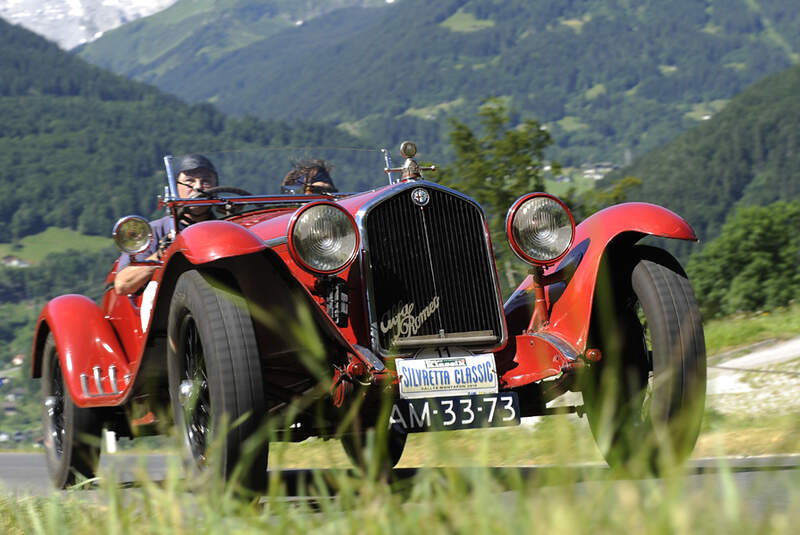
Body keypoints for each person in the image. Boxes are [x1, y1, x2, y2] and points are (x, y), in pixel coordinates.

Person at [113, 154, 218, 295]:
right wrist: (163, 252)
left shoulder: (228, 228)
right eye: (189, 181)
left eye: (206, 181)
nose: (198, 187)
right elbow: (122, 285)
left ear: (216, 187)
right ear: (175, 188)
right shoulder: (154, 231)